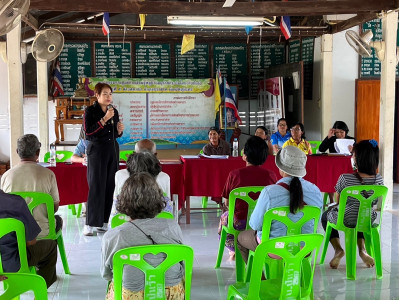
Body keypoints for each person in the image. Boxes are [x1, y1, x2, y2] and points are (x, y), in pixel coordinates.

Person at [101, 173, 185, 299]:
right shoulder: (172, 227)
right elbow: (182, 266)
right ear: (158, 199)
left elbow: (106, 275)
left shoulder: (114, 235)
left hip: (131, 295)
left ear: (124, 201)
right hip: (171, 293)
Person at [237, 146, 323, 263]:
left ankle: (260, 277)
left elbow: (255, 225)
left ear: (280, 167)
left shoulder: (269, 192)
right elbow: (316, 222)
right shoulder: (316, 191)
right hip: (304, 248)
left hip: (274, 248)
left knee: (241, 238)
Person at [321, 139, 383, 269]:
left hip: (346, 219)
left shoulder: (345, 178)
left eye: (353, 155)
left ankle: (338, 250)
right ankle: (362, 250)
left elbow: (339, 202)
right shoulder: (379, 179)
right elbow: (375, 201)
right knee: (360, 214)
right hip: (368, 218)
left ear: (358, 159)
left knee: (326, 216)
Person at [218, 136, 277, 260]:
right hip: (263, 222)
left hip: (239, 222)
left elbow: (228, 202)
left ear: (245, 155)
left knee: (224, 217)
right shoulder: (271, 175)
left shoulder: (234, 175)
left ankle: (233, 250)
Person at [0, 134, 62, 238]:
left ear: (17, 152)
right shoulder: (48, 174)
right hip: (42, 233)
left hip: (13, 235)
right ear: (38, 152)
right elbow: (54, 208)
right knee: (58, 220)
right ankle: (46, 250)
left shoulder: (6, 176)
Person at [83, 82, 124, 236]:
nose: (108, 97)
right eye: (105, 94)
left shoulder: (114, 111)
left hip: (112, 150)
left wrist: (119, 132)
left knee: (110, 186)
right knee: (96, 186)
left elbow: (113, 134)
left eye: (110, 94)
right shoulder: (90, 111)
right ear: (97, 95)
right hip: (96, 151)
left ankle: (105, 222)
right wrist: (104, 119)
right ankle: (90, 223)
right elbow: (89, 133)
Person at [0, 190, 58, 288]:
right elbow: (31, 242)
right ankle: (40, 292)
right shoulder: (16, 202)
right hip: (13, 264)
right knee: (51, 246)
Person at [111, 151, 173, 221]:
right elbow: (167, 202)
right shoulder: (164, 176)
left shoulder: (120, 175)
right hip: (159, 220)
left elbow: (116, 201)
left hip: (123, 220)